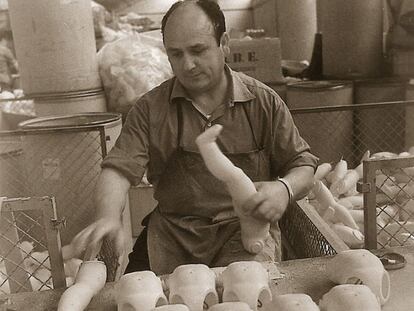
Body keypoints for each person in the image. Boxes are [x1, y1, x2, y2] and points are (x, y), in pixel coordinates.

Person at [73, 0, 318, 276]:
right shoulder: (151, 109)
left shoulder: (263, 102)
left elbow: (303, 165)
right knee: (137, 293)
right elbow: (118, 169)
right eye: (176, 54)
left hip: (243, 232)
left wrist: (283, 189)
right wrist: (108, 216)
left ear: (224, 43)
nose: (188, 64)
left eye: (198, 50)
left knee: (243, 293)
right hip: (173, 234)